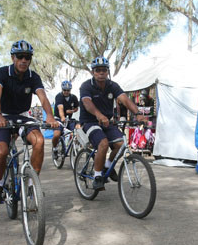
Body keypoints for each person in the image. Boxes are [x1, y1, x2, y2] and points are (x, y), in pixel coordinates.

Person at [0, 39, 57, 204]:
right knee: (1, 152)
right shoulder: (1, 73)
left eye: (27, 57)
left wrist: (50, 115)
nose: (24, 60)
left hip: (22, 116)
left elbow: (42, 97)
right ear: (13, 57)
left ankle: (32, 184)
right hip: (3, 116)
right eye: (20, 56)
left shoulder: (33, 77)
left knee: (39, 141)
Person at [79, 56, 146, 191]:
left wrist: (138, 113)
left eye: (104, 70)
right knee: (103, 143)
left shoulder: (112, 85)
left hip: (106, 122)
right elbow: (87, 103)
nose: (101, 73)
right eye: (98, 70)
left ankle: (107, 165)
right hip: (90, 122)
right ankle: (98, 176)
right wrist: (99, 115)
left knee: (121, 144)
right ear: (93, 72)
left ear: (108, 71)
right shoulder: (86, 86)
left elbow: (125, 99)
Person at [52, 80, 79, 156]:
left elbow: (77, 107)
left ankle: (76, 147)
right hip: (59, 118)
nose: (66, 92)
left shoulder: (74, 97)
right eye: (65, 90)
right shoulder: (59, 96)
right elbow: (60, 108)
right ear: (62, 89)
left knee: (77, 132)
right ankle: (55, 148)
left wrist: (72, 111)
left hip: (69, 119)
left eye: (68, 90)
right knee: (57, 135)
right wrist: (62, 117)